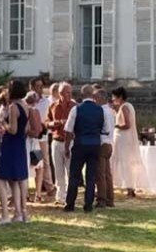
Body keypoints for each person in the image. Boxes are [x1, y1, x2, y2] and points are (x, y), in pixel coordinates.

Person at [63, 85, 107, 213]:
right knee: (91, 176)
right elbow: (106, 130)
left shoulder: (76, 109)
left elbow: (69, 130)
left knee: (74, 175)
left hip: (80, 144)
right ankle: (88, 204)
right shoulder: (100, 110)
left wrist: (66, 147)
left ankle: (70, 204)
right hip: (95, 144)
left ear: (82, 95)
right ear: (93, 95)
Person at [0, 79, 31, 224]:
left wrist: (2, 122)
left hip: (10, 144)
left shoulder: (13, 107)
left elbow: (13, 129)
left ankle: (5, 214)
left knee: (1, 178)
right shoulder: (25, 105)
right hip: (20, 143)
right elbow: (26, 128)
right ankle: (19, 213)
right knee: (15, 180)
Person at [110, 88, 146, 197]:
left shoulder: (125, 107)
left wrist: (114, 125)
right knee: (124, 162)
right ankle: (127, 186)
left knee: (125, 162)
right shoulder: (127, 106)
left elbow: (127, 124)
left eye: (114, 97)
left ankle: (130, 188)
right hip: (124, 138)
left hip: (123, 138)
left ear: (120, 97)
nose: (113, 99)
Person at [47, 81, 75, 204]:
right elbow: (47, 122)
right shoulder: (53, 106)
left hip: (70, 141)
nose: (69, 94)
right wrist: (55, 123)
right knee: (58, 170)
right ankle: (60, 196)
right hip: (56, 140)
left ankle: (70, 196)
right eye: (67, 92)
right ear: (60, 93)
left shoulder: (75, 106)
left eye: (70, 92)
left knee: (70, 169)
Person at [94, 87, 116, 208]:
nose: (95, 100)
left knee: (100, 173)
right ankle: (110, 198)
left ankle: (102, 199)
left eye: (96, 97)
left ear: (102, 98)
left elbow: (105, 129)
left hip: (102, 143)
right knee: (107, 173)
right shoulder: (110, 111)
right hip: (109, 143)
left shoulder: (102, 111)